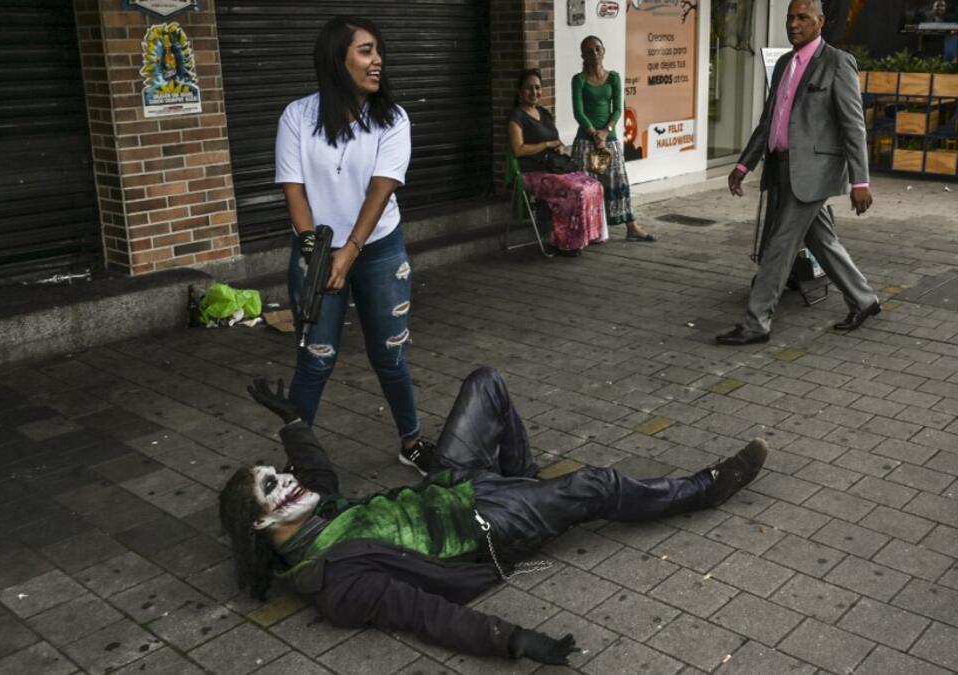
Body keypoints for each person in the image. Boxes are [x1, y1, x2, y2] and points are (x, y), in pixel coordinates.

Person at [219, 368, 769, 665]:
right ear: (263, 524)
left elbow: (319, 473)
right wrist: (513, 640)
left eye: (279, 471)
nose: (289, 479)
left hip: (454, 484)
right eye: (273, 484)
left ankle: (528, 482)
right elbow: (425, 614)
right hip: (486, 525)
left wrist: (292, 423)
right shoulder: (337, 582)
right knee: (594, 486)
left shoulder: (316, 516)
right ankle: (704, 490)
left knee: (487, 384)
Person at [274, 16, 436, 474]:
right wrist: (314, 253)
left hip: (379, 249)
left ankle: (412, 441)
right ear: (336, 59)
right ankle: (297, 462)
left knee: (390, 354)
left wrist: (347, 254)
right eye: (365, 51)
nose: (377, 60)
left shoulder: (393, 119)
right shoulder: (297, 117)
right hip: (316, 252)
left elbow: (381, 190)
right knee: (315, 359)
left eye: (378, 50)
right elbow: (294, 192)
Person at [718, 0, 879, 345]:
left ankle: (756, 322)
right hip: (782, 167)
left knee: (779, 245)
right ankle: (864, 299)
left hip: (814, 171)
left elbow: (854, 126)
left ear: (820, 22)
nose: (793, 24)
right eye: (790, 17)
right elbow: (769, 121)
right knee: (821, 240)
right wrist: (744, 164)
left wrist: (860, 181)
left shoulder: (837, 63)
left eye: (802, 18)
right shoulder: (784, 65)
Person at [508, 68, 607, 256]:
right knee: (575, 191)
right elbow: (518, 150)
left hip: (553, 167)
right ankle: (565, 242)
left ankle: (587, 236)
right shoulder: (517, 117)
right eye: (529, 88)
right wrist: (545, 144)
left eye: (537, 87)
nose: (534, 92)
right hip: (532, 172)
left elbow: (555, 140)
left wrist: (559, 146)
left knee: (594, 185)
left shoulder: (544, 113)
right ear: (520, 92)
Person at [570, 36, 656, 243]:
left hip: (609, 139)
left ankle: (631, 226)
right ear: (583, 55)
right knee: (586, 186)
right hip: (585, 141)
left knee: (618, 182)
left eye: (598, 49)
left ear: (604, 50)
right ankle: (586, 230)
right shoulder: (579, 80)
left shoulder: (614, 78)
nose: (595, 54)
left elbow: (618, 109)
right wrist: (594, 134)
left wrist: (605, 132)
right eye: (589, 51)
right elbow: (578, 113)